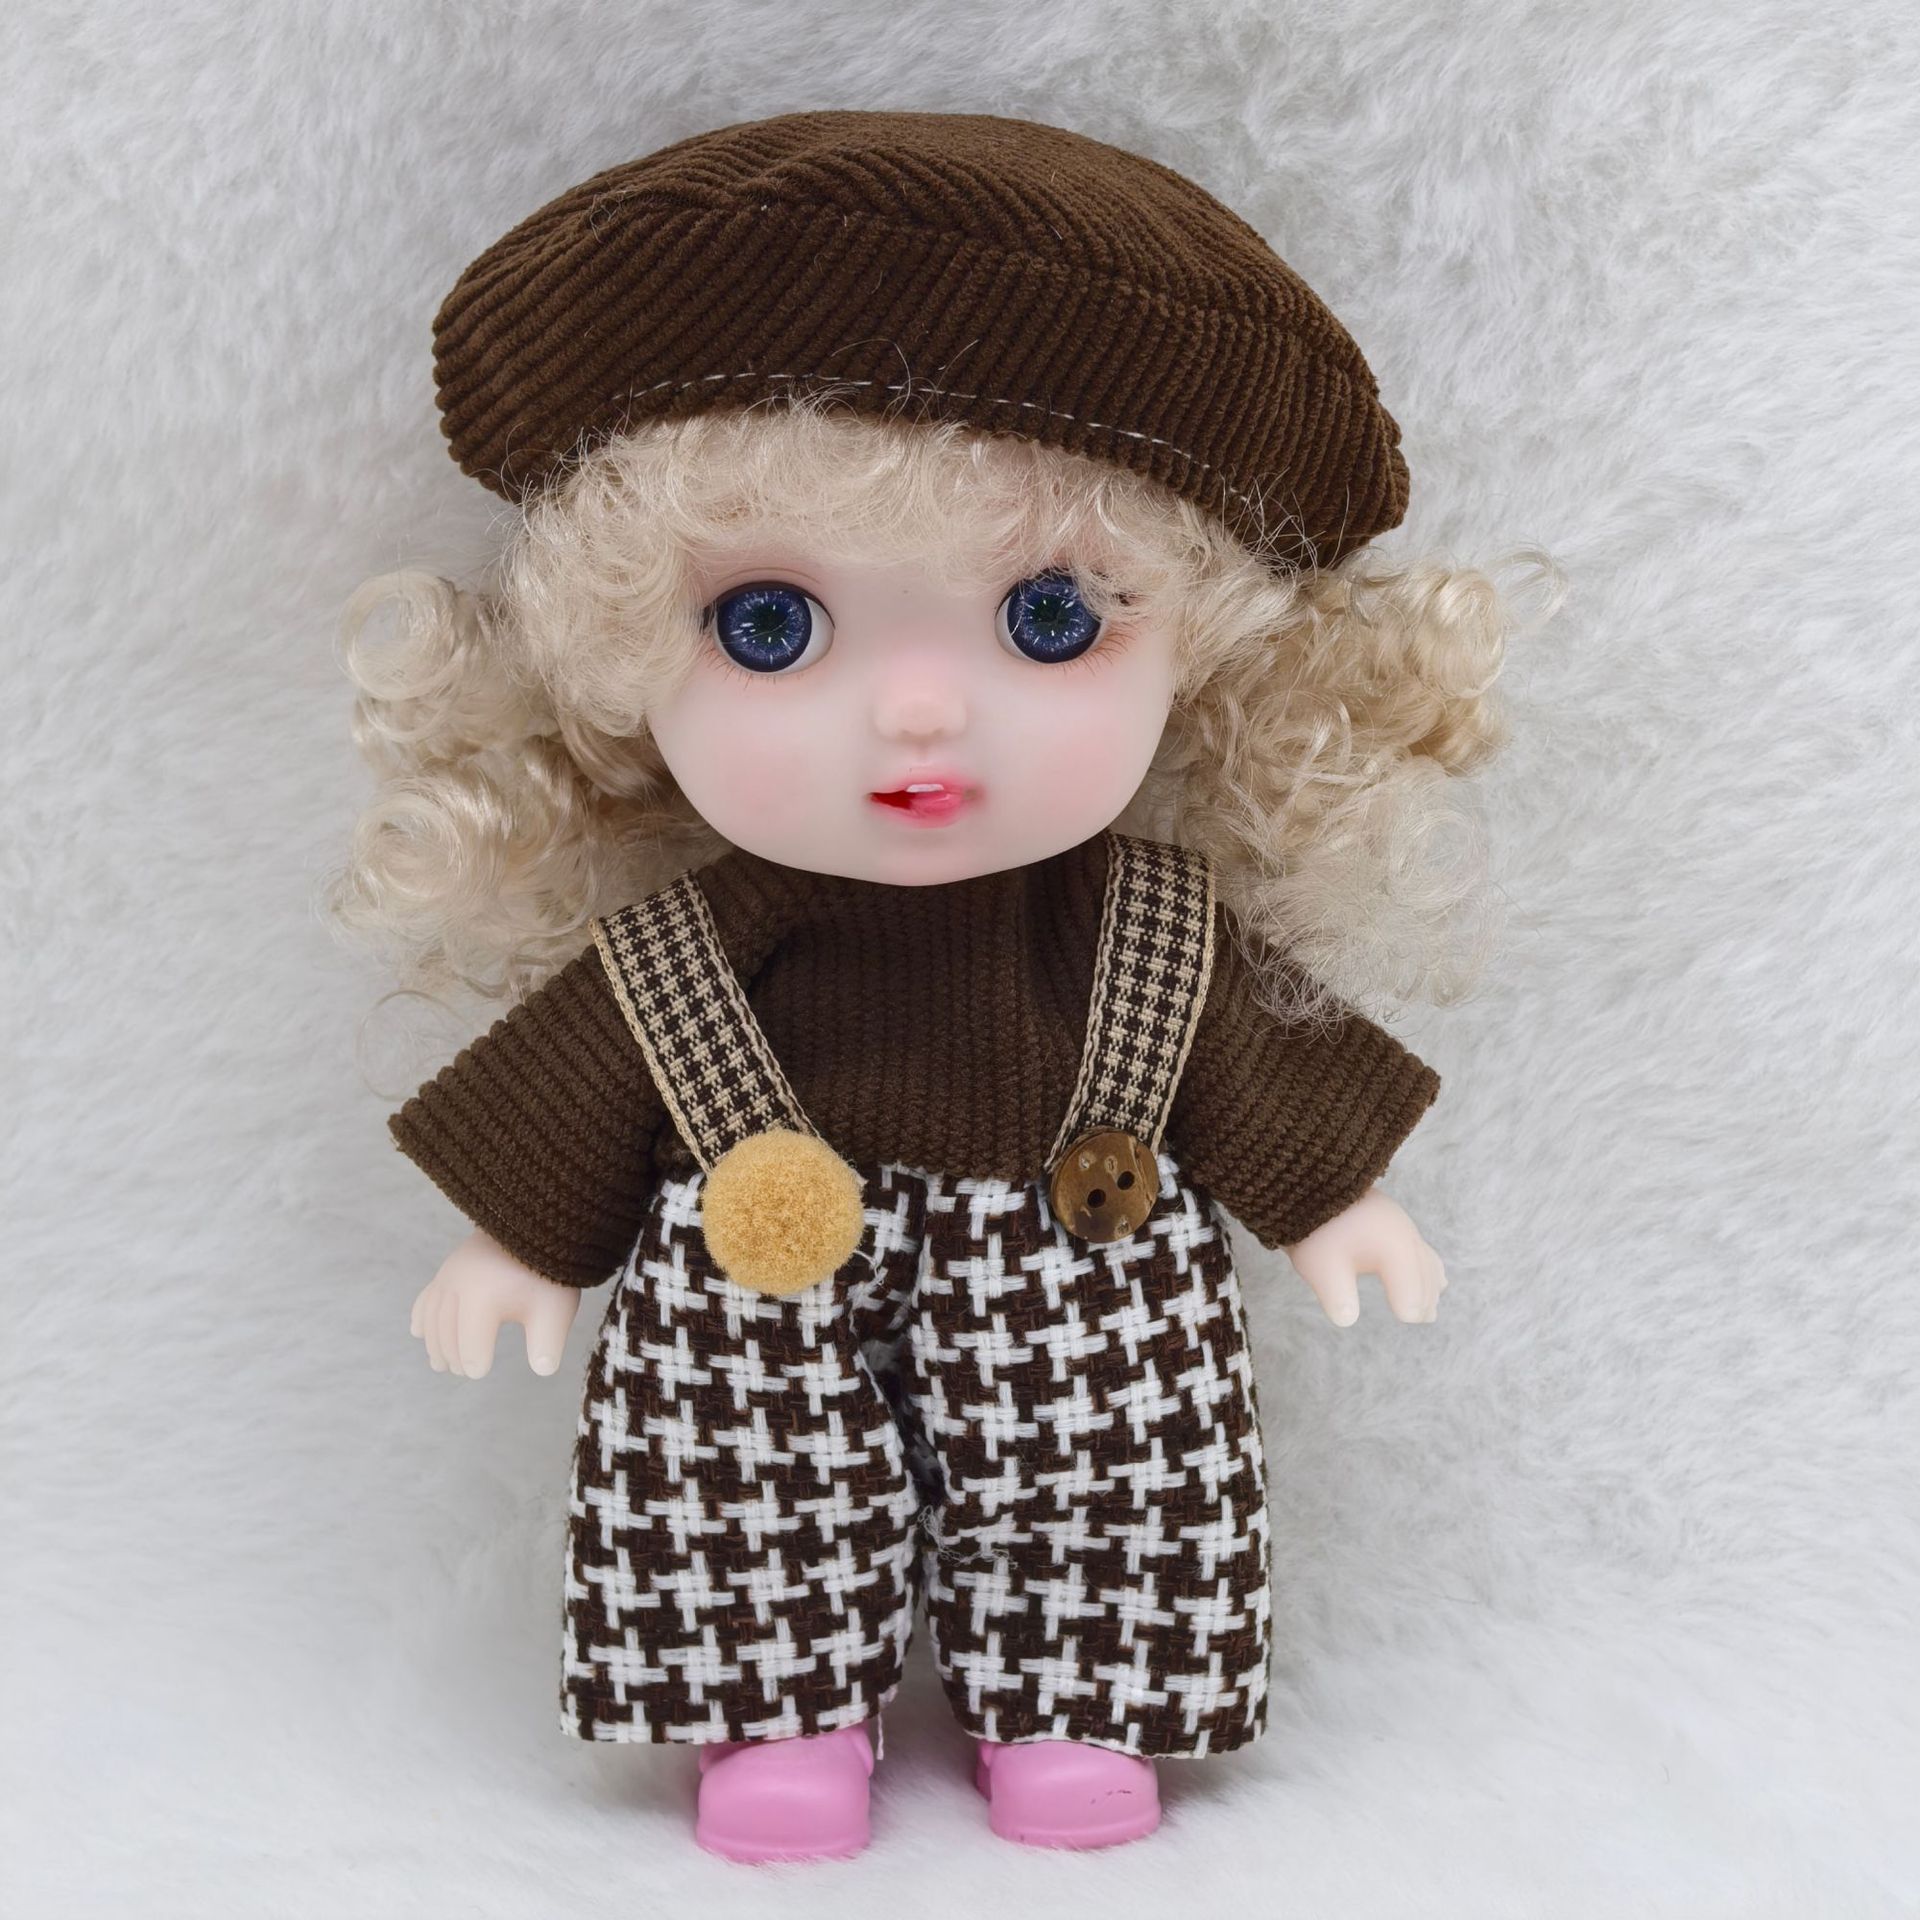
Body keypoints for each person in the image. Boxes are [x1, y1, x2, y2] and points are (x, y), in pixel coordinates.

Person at [327, 108, 1540, 1862]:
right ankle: (773, 1706)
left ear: (1196, 658)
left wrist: (1337, 1202)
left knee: (1117, 1469)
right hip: (754, 1288)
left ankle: (1080, 1693)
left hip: (1084, 1270)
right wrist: (516, 1239)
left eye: (1049, 621)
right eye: (769, 626)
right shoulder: (698, 946)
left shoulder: (1142, 931)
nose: (915, 713)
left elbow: (1254, 1074)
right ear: (620, 663)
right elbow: (584, 1077)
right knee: (730, 1471)